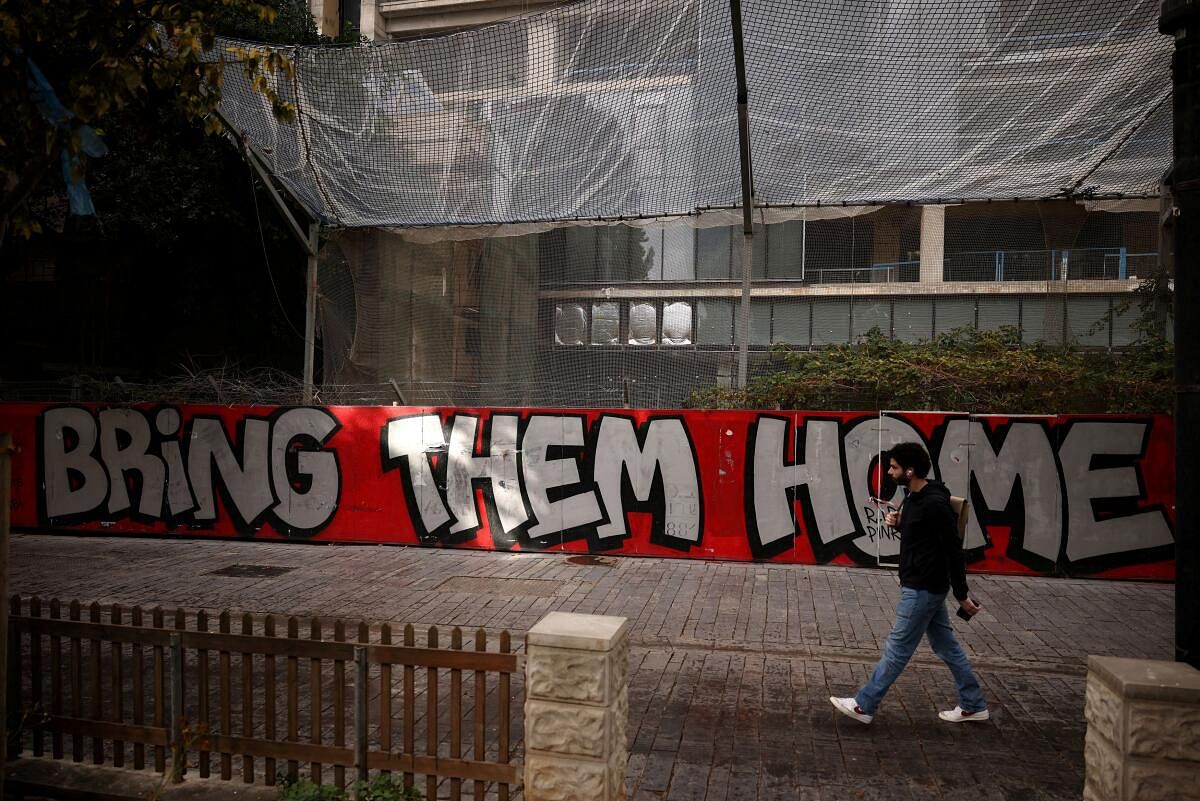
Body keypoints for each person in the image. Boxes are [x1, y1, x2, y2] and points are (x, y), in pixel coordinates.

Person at [829, 441, 989, 724]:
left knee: (897, 647)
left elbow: (953, 550)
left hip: (923, 588)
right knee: (946, 647)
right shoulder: (913, 498)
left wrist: (961, 594)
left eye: (894, 467)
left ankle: (864, 705)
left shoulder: (935, 504)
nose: (889, 472)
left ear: (910, 470)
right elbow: (922, 535)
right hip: (925, 586)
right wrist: (899, 523)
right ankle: (974, 704)